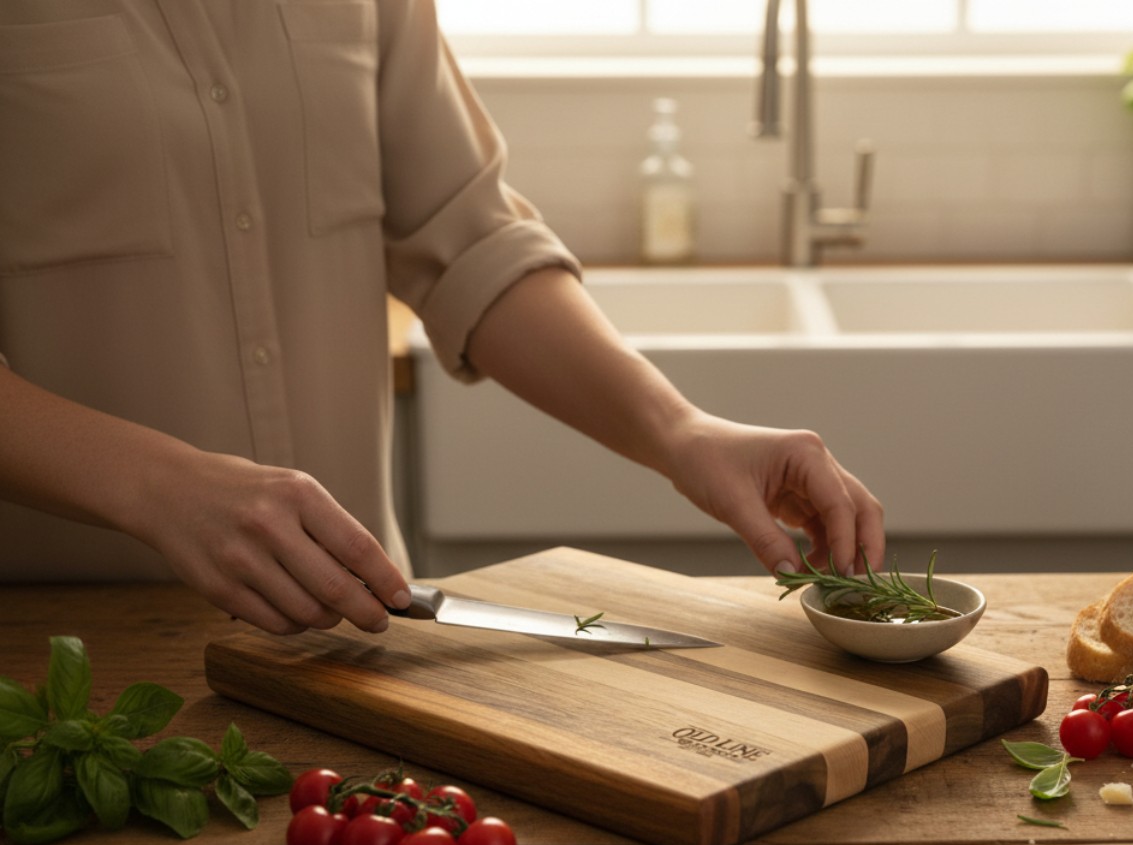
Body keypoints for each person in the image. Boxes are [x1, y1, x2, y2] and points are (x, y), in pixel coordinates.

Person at [0, 1, 884, 636]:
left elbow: (468, 241)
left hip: (350, 631)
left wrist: (683, 432)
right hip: (74, 650)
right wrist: (160, 487)